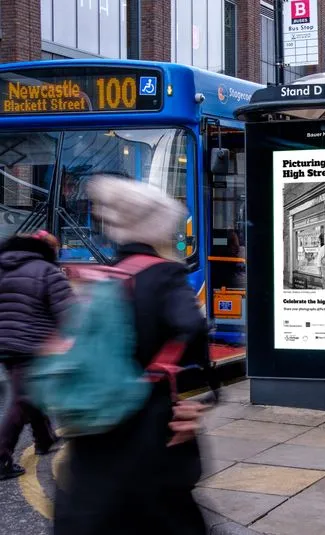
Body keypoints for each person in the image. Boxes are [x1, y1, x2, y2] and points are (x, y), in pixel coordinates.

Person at [54, 176, 215, 535]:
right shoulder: (165, 275)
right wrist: (197, 392)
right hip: (149, 426)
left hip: (95, 423)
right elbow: (192, 329)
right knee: (169, 515)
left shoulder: (102, 277)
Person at [0, 231, 70, 480]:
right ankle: (2, 457)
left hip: (6, 342)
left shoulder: (5, 265)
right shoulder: (47, 271)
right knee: (21, 400)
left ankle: (44, 439)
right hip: (32, 344)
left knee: (29, 394)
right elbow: (68, 313)